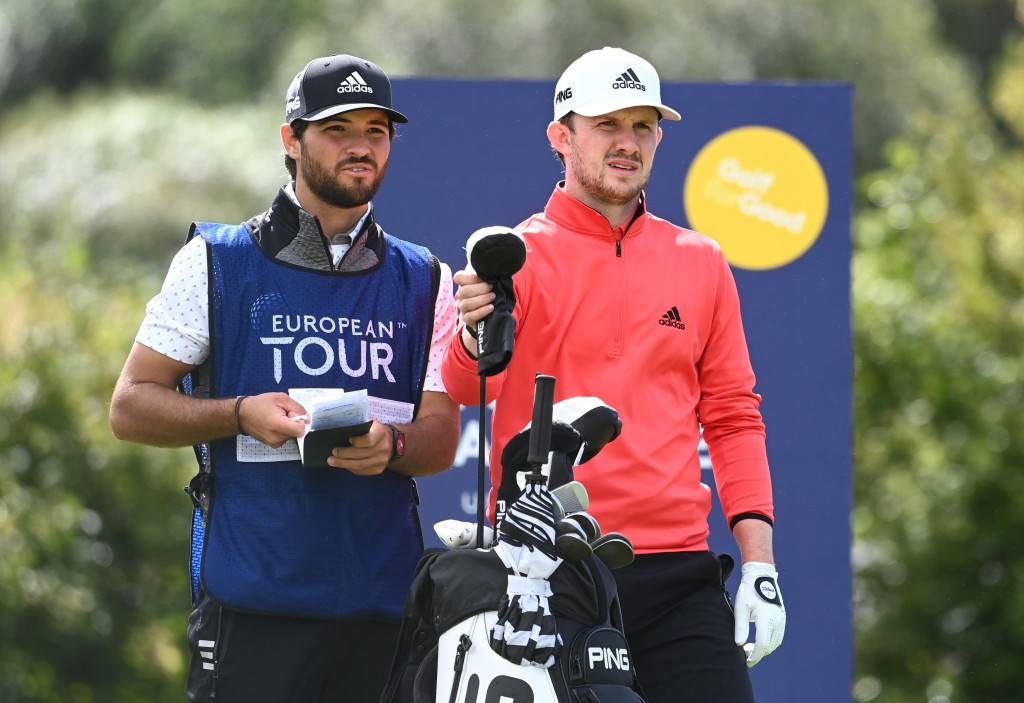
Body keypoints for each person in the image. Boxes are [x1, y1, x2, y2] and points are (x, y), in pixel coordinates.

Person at [109, 53, 460, 703]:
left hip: (383, 607)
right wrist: (239, 412)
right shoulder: (216, 260)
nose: (361, 146)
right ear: (290, 141)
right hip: (254, 603)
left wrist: (396, 446)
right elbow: (130, 404)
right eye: (338, 129)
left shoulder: (427, 277)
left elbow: (441, 434)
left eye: (376, 131)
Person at [441, 47, 786, 703]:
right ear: (561, 136)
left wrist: (760, 564)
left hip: (681, 577)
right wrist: (473, 329)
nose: (629, 143)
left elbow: (735, 416)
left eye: (644, 126)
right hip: (547, 573)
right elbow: (462, 384)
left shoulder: (701, 260)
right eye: (608, 125)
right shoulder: (518, 255)